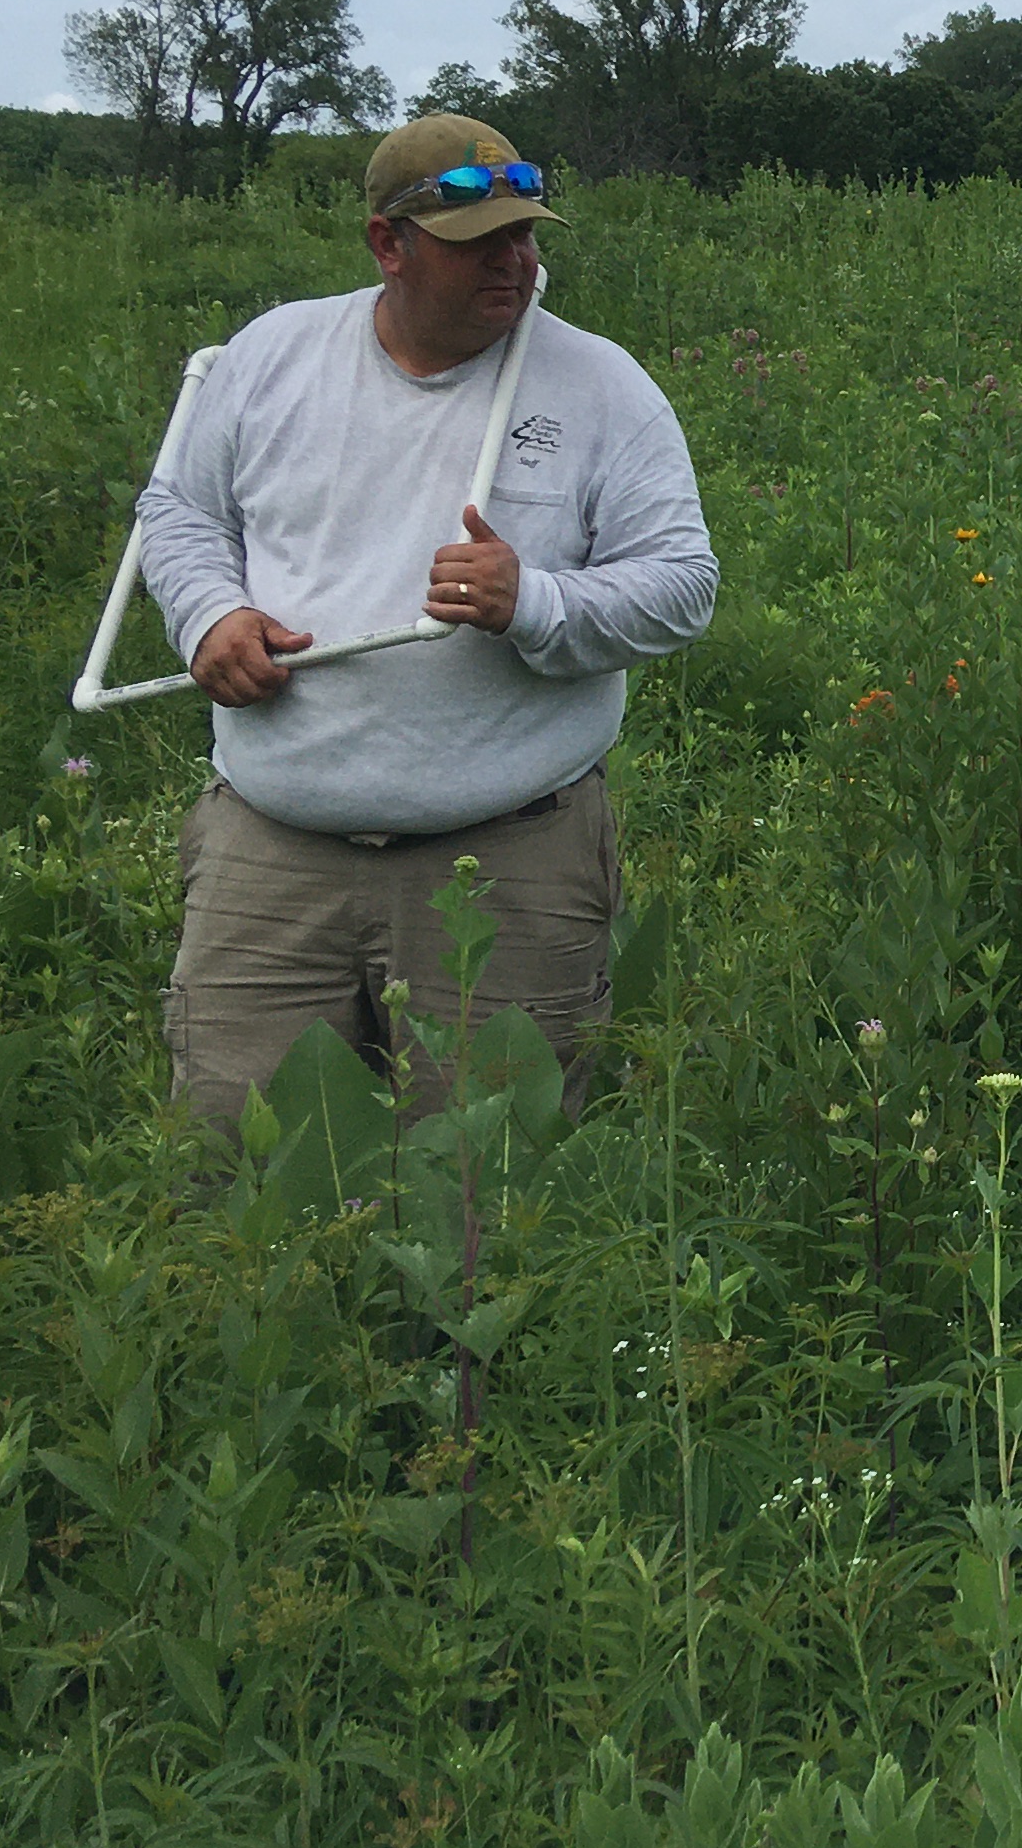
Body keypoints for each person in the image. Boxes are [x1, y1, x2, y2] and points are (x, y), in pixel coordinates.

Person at [134, 113, 719, 1130]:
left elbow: (682, 586)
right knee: (238, 1162)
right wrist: (209, 616)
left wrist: (532, 601)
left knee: (494, 1180)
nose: (514, 261)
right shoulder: (274, 356)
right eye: (477, 242)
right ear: (387, 245)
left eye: (524, 234)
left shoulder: (603, 388)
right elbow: (179, 511)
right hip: (271, 854)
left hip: (507, 863)